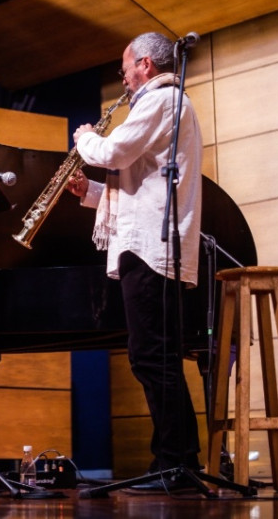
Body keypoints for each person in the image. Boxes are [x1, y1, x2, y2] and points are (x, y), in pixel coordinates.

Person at [67, 32, 203, 491]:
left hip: (151, 247)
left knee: (154, 357)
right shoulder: (159, 104)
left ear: (144, 63)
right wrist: (90, 191)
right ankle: (174, 461)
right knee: (152, 357)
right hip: (145, 241)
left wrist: (87, 138)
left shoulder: (161, 99)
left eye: (125, 67)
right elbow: (140, 185)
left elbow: (113, 152)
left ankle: (176, 464)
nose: (122, 77)